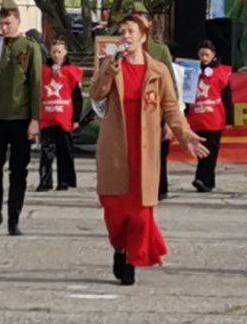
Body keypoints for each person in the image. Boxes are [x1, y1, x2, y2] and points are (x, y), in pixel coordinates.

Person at [90, 14, 210, 286]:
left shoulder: (158, 70)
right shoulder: (111, 64)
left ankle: (131, 258)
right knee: (114, 210)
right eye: (122, 32)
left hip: (145, 149)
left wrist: (185, 133)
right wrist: (110, 69)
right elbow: (96, 94)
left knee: (141, 213)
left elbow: (170, 108)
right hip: (115, 149)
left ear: (143, 36)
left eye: (131, 31)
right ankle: (119, 248)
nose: (126, 36)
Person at [0, 0, 42, 236]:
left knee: (19, 169)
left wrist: (35, 118)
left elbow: (36, 83)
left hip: (20, 116)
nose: (4, 27)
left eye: (8, 22)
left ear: (18, 20)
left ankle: (13, 217)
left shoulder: (29, 47)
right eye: (1, 23)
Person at [129, 3, 179, 201]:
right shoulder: (122, 51)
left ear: (149, 25)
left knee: (158, 154)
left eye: (142, 23)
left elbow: (170, 88)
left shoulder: (160, 50)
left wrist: (169, 120)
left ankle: (159, 189)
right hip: (131, 112)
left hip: (154, 111)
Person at [38, 39, 83, 192]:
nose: (56, 55)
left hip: (65, 117)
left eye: (59, 51)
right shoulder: (43, 70)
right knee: (46, 151)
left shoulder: (72, 71)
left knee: (65, 150)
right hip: (47, 116)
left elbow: (77, 97)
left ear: (65, 53)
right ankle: (45, 181)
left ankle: (65, 180)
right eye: (54, 51)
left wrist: (76, 118)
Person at [189, 40, 233, 193]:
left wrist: (230, 119)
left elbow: (228, 98)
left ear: (213, 56)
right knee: (201, 149)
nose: (204, 57)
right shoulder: (192, 72)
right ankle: (203, 180)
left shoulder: (222, 72)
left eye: (207, 54)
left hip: (215, 119)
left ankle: (205, 180)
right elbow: (186, 96)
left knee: (211, 151)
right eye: (201, 54)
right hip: (197, 118)